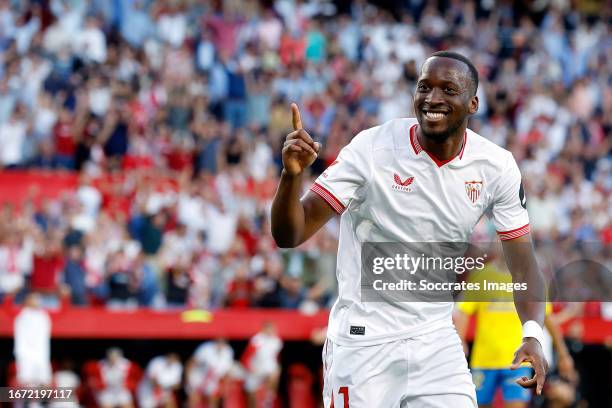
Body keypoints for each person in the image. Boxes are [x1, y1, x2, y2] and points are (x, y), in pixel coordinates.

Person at [271, 51, 548, 407]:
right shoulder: (372, 148)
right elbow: (289, 235)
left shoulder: (496, 166)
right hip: (364, 342)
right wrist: (291, 177)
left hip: (435, 339)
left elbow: (524, 263)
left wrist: (533, 334)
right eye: (424, 87)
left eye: (448, 89)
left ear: (473, 102)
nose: (433, 98)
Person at [454, 243, 575, 408]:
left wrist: (563, 353)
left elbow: (547, 318)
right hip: (484, 359)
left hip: (518, 362)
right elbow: (463, 312)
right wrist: (460, 341)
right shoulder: (481, 277)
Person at [13, 292, 52, 388]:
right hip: (26, 354)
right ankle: (28, 402)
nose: (37, 302)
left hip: (41, 354)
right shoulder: (22, 316)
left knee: (44, 382)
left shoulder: (43, 316)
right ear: (27, 301)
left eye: (37, 300)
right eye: (33, 299)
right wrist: (21, 353)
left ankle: (39, 402)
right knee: (26, 382)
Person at [241, 322, 283, 408]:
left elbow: (277, 356)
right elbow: (245, 357)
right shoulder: (256, 340)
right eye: (269, 329)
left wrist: (277, 367)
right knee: (252, 397)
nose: (271, 331)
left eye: (273, 329)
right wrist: (250, 368)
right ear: (264, 329)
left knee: (275, 372)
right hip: (254, 368)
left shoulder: (276, 341)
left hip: (267, 367)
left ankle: (269, 399)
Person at [186, 339, 235, 408]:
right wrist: (188, 381)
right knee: (193, 400)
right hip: (198, 377)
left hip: (212, 379)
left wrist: (225, 387)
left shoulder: (228, 351)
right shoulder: (206, 348)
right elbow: (190, 364)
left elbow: (227, 372)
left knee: (212, 401)